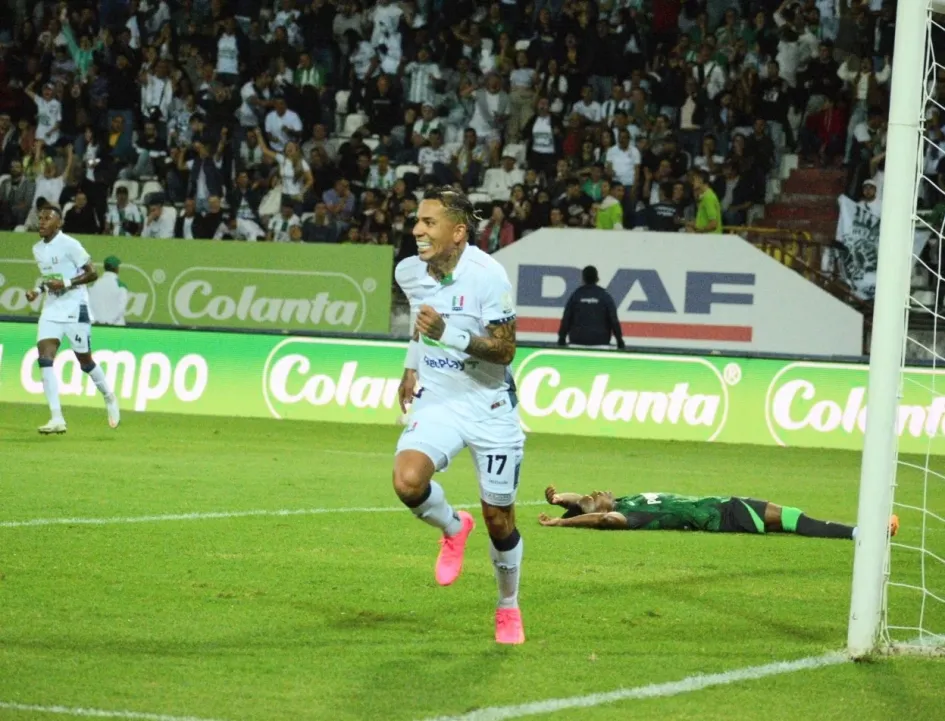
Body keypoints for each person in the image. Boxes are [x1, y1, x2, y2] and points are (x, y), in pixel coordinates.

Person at [393, 186, 526, 645]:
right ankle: (453, 526)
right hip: (439, 399)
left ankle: (507, 605)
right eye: (417, 220)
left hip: (489, 405)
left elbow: (505, 350)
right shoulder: (409, 271)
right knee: (407, 481)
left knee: (499, 518)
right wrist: (411, 365)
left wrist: (449, 334)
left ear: (458, 232)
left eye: (429, 223)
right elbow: (418, 317)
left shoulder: (488, 275)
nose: (417, 230)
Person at [25, 207, 121, 434]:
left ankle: (109, 396)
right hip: (51, 308)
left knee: (85, 362)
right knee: (45, 358)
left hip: (75, 307)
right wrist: (38, 290)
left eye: (48, 218)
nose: (42, 222)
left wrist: (67, 283)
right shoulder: (37, 249)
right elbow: (51, 278)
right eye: (40, 218)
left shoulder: (70, 244)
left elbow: (92, 273)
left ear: (59, 223)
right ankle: (57, 417)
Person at [537, 485, 900, 539]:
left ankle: (862, 530)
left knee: (793, 517)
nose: (594, 493)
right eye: (589, 497)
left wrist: (560, 501)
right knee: (793, 520)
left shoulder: (629, 501)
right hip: (724, 516)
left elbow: (587, 505)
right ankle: (863, 532)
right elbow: (600, 519)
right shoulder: (628, 518)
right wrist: (560, 522)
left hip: (724, 506)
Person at [557, 266, 625, 349]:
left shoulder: (576, 295)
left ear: (583, 279)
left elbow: (566, 318)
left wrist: (562, 338)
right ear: (597, 278)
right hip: (601, 344)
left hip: (577, 343)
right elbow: (613, 320)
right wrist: (619, 340)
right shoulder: (604, 296)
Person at [88, 256, 128, 326]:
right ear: (117, 269)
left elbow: (89, 306)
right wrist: (109, 322)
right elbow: (121, 308)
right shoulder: (120, 286)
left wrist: (99, 321)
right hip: (116, 327)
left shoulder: (93, 285)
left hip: (97, 326)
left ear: (104, 267)